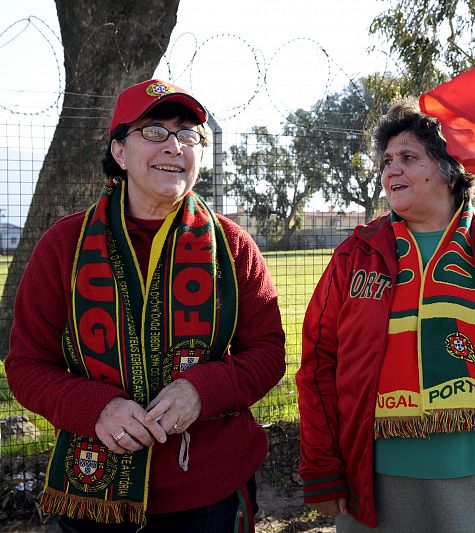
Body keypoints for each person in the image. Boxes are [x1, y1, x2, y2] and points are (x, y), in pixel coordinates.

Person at [5, 79, 286, 532]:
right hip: (96, 489)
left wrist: (202, 391)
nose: (174, 146)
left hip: (210, 487)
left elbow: (268, 354)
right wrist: (95, 408)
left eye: (188, 135)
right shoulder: (63, 246)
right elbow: (26, 366)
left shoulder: (232, 246)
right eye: (154, 131)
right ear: (119, 151)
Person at [296, 98, 475, 531]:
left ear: (449, 170)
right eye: (387, 161)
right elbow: (318, 364)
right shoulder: (356, 254)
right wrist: (322, 466)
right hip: (370, 477)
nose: (392, 170)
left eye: (408, 157)